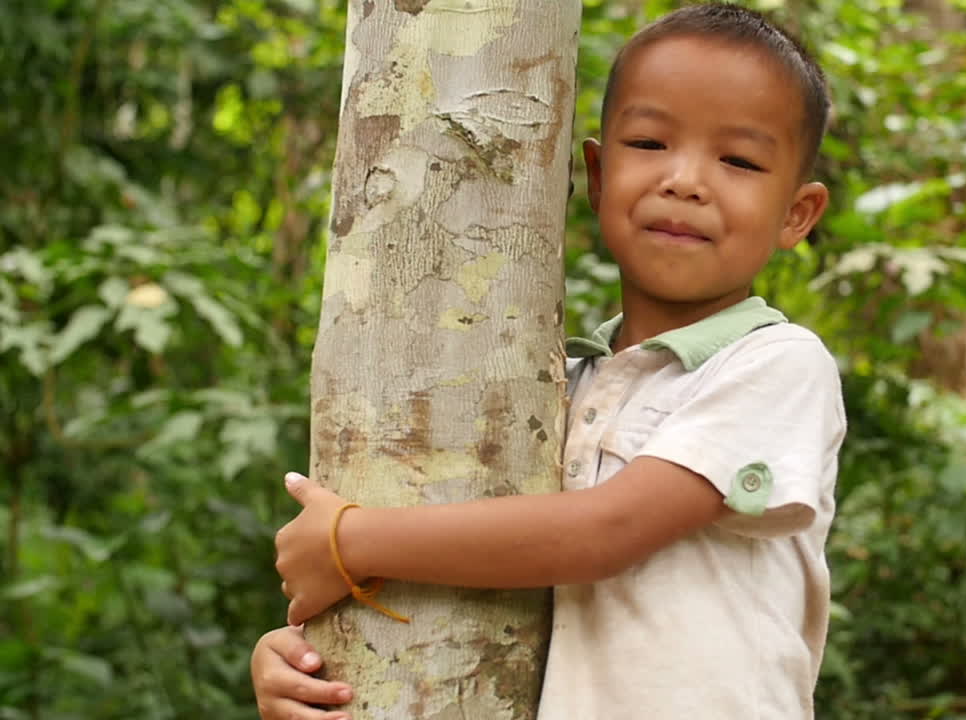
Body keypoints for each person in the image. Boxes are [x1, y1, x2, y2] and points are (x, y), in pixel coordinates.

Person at [252, 4, 846, 719]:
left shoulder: (777, 364)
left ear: (796, 215)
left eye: (740, 160)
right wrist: (302, 655)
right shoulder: (548, 388)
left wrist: (353, 541)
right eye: (651, 143)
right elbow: (480, 554)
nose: (686, 180)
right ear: (596, 174)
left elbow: (605, 533)